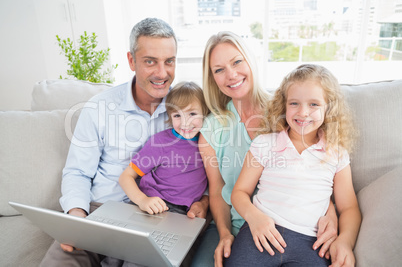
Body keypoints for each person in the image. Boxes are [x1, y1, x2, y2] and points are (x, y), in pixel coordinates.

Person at [40, 18, 208, 267]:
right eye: (150, 61)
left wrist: (203, 203)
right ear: (132, 61)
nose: (162, 73)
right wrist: (77, 217)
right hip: (99, 210)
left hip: (158, 216)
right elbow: (77, 172)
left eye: (169, 61)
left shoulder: (188, 112)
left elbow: (206, 168)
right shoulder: (99, 108)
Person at [191, 32, 339, 267]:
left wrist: (330, 213)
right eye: (219, 70)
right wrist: (225, 233)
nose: (231, 75)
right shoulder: (211, 129)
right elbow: (217, 189)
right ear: (212, 78)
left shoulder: (291, 112)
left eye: (237, 62)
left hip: (292, 229)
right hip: (239, 226)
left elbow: (311, 170)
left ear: (251, 60)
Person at [226, 64, 362, 267]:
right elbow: (239, 192)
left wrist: (345, 241)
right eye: (294, 103)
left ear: (329, 108)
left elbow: (349, 208)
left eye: (314, 104)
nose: (303, 112)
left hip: (310, 244)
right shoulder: (265, 143)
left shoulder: (336, 154)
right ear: (284, 106)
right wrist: (255, 218)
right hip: (260, 233)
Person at [119, 81, 209, 215]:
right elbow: (125, 177)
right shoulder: (161, 142)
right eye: (177, 115)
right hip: (153, 203)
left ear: (205, 113)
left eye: (192, 114)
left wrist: (203, 203)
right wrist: (143, 200)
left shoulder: (208, 143)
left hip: (186, 211)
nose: (185, 122)